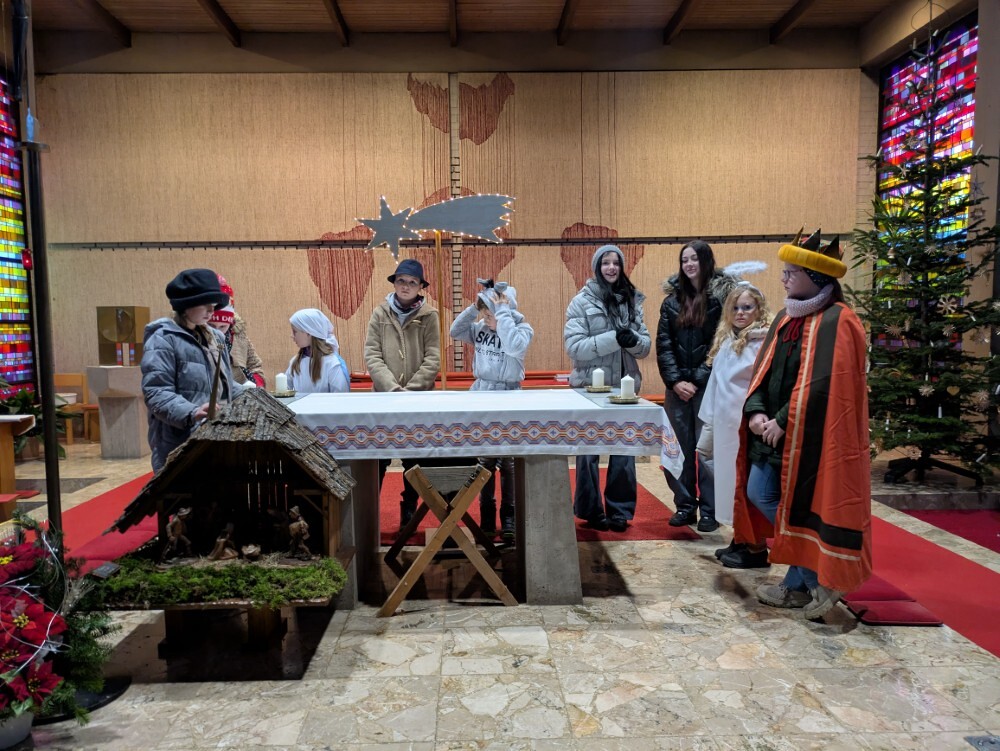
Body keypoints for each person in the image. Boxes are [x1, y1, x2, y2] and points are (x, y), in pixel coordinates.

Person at [733, 231, 871, 620]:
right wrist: (756, 412)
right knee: (762, 493)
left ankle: (803, 583)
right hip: (770, 435)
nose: (783, 278)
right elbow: (764, 373)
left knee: (801, 506)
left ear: (816, 276)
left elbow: (829, 385)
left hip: (811, 441)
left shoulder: (839, 321)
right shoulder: (785, 317)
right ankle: (810, 579)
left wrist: (784, 420)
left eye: (791, 272)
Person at [565, 244, 651, 533]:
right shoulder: (581, 302)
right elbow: (574, 347)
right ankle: (590, 510)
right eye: (606, 263)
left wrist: (633, 341)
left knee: (624, 451)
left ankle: (619, 511)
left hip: (623, 387)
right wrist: (614, 339)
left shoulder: (632, 300)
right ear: (597, 268)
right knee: (588, 452)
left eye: (616, 263)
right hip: (589, 387)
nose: (611, 268)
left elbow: (644, 347)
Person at [655, 240, 740, 531]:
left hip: (708, 387)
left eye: (694, 259)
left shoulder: (720, 300)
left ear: (706, 261)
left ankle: (710, 510)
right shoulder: (671, 302)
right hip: (677, 389)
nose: (689, 264)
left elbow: (722, 343)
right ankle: (685, 505)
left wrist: (699, 377)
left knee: (707, 451)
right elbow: (664, 344)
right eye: (685, 260)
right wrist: (676, 381)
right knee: (678, 448)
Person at [450, 279, 534, 541]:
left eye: (491, 311)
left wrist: (503, 315)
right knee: (485, 460)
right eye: (485, 310)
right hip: (483, 394)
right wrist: (476, 306)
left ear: (505, 309)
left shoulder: (522, 329)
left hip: (509, 396)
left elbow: (513, 347)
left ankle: (509, 516)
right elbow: (455, 330)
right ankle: (486, 515)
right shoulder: (480, 328)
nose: (486, 315)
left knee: (508, 462)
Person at [696, 282, 772, 563]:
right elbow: (716, 383)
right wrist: (709, 421)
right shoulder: (728, 341)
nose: (741, 313)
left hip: (745, 425)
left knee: (745, 484)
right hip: (725, 425)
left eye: (747, 307)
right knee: (730, 485)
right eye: (736, 308)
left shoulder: (762, 342)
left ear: (759, 309)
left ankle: (755, 547)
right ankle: (740, 538)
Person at [364, 258, 441, 526]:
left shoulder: (429, 316)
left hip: (418, 400)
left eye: (412, 282)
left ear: (420, 287)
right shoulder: (380, 314)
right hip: (385, 399)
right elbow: (372, 355)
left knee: (414, 459)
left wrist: (411, 390)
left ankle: (409, 510)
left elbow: (433, 358)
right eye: (401, 281)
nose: (406, 286)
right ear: (394, 284)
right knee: (378, 457)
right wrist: (392, 388)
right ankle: (369, 514)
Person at [141, 268, 241, 473]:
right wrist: (192, 412)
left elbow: (225, 384)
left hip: (215, 437)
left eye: (214, 304)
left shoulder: (215, 338)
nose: (211, 310)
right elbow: (156, 392)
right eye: (205, 303)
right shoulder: (163, 339)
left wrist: (256, 395)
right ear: (186, 304)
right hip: (180, 442)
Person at [207, 275, 266, 388]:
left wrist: (256, 385)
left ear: (230, 322)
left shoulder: (238, 335)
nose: (217, 332)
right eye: (211, 326)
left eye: (223, 326)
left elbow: (255, 365)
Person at [286, 308, 350, 394]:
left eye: (295, 332)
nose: (292, 336)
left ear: (309, 333)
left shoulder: (332, 363)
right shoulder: (295, 362)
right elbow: (286, 391)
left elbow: (340, 396)